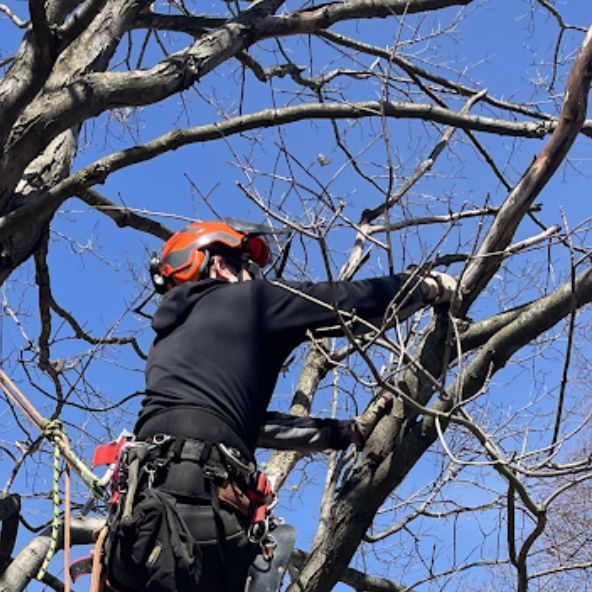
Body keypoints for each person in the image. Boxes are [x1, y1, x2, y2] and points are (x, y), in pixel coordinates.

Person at [104, 219, 458, 592]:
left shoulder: (168, 346)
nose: (254, 278)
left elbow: (244, 425)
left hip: (136, 533)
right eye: (246, 267)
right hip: (198, 530)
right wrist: (425, 287)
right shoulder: (251, 300)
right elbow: (347, 304)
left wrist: (344, 433)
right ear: (220, 265)